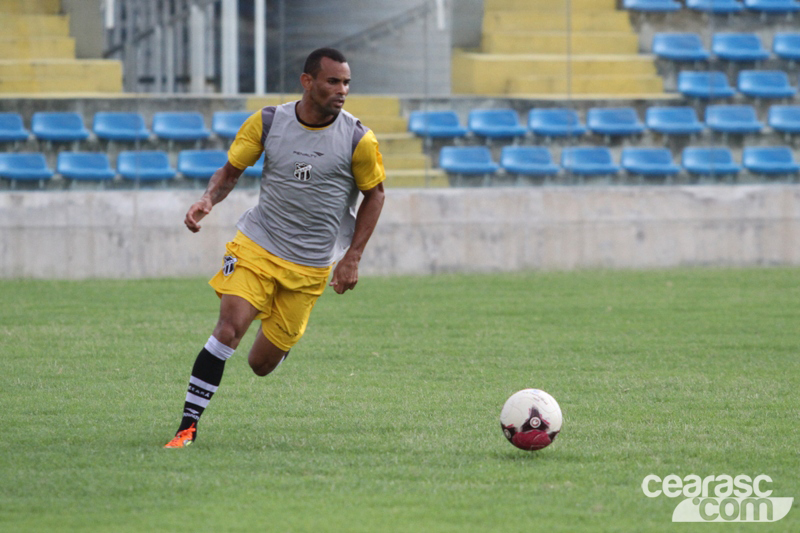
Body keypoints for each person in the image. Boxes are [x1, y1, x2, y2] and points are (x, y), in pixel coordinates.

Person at [164, 48, 386, 448]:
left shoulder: (358, 139)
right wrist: (208, 200)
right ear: (308, 81)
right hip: (257, 245)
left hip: (311, 265)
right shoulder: (268, 122)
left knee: (260, 365)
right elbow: (230, 171)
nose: (342, 90)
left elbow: (376, 195)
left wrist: (352, 256)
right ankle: (187, 427)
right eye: (333, 81)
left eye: (346, 83)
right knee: (229, 329)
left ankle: (280, 347)